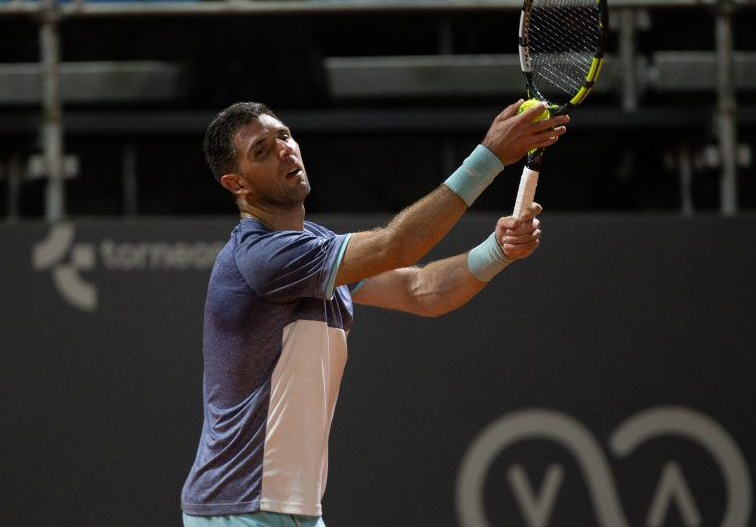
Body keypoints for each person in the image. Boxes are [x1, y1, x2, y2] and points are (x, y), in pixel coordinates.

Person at [181, 100, 569, 527]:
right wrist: (489, 157)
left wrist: (497, 251)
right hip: (237, 509)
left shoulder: (311, 249)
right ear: (237, 184)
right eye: (262, 150)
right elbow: (395, 246)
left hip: (295, 511)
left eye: (284, 136)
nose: (284, 150)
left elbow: (420, 291)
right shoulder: (262, 258)